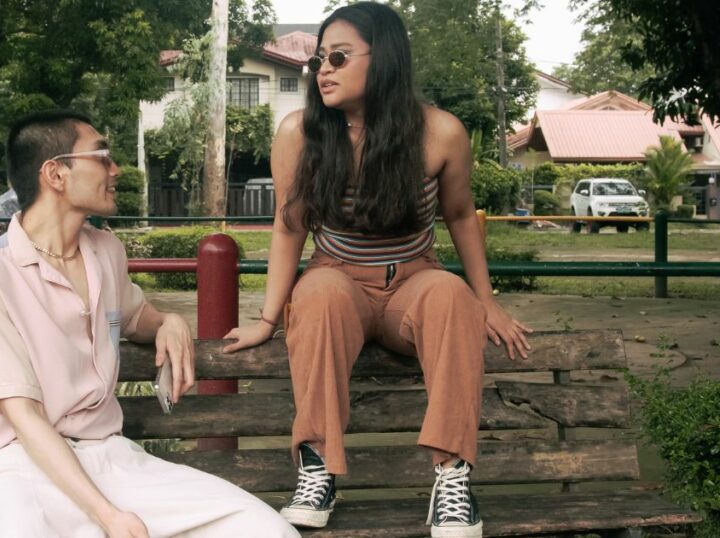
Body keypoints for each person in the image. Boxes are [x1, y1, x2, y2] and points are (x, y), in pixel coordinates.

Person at [222, 3, 532, 537]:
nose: (324, 69)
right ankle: (317, 468)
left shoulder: (440, 132)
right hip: (338, 279)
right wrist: (268, 318)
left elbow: (459, 215)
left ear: (384, 58)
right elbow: (289, 228)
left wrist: (487, 299)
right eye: (319, 59)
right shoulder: (300, 133)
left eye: (339, 57)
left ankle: (452, 478)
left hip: (414, 279)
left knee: (451, 295)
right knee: (316, 294)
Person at [0, 110, 299, 538]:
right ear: (55, 173)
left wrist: (169, 321)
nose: (116, 170)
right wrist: (108, 516)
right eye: (102, 157)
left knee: (262, 529)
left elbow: (134, 317)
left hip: (109, 457)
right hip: (19, 466)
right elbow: (23, 415)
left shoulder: (105, 251)